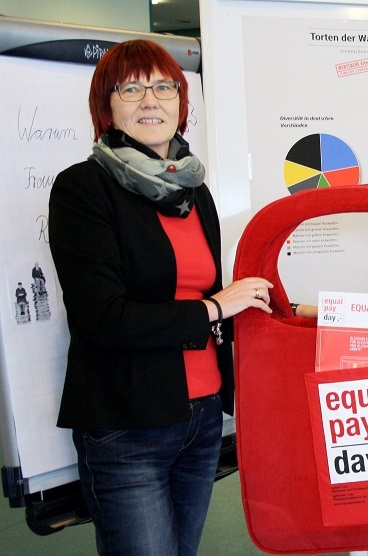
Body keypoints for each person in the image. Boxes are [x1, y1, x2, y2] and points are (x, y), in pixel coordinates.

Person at [48, 39, 273, 555]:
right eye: (131, 89)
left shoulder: (193, 190)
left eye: (163, 87)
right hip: (128, 424)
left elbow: (208, 292)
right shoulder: (83, 188)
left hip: (201, 416)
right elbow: (103, 317)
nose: (150, 100)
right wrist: (214, 308)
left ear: (181, 102)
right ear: (107, 107)